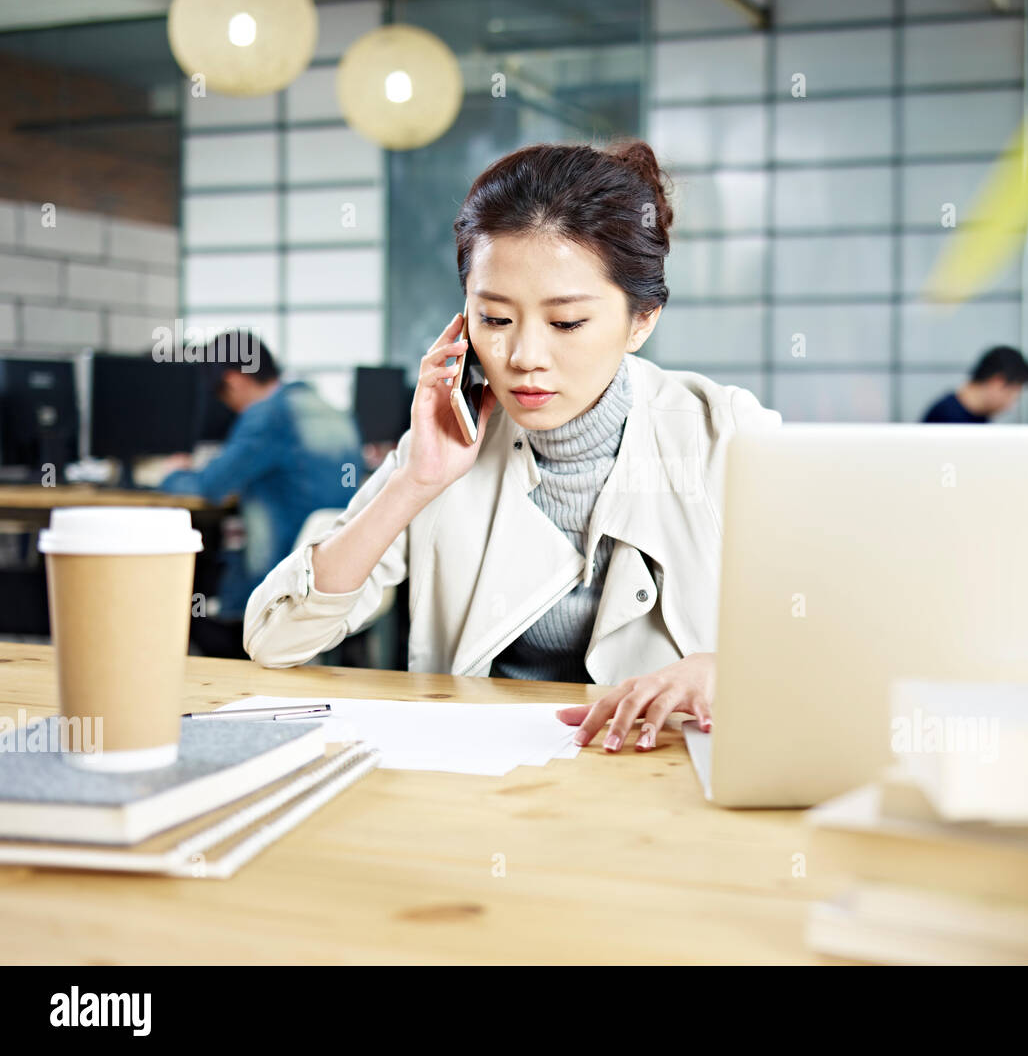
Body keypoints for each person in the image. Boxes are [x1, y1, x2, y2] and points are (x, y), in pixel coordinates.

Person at [243, 139, 783, 755]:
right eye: (495, 319)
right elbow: (275, 637)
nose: (524, 357)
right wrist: (415, 481)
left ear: (643, 320)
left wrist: (726, 668)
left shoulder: (725, 433)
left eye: (567, 323)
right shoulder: (450, 440)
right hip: (482, 787)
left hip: (662, 786)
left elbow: (838, 632)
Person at [159, 333, 364, 659]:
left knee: (181, 597)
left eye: (222, 396)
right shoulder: (328, 409)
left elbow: (209, 487)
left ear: (234, 380)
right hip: (343, 580)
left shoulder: (267, 416)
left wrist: (171, 472)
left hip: (280, 580)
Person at [921, 345, 1028, 422]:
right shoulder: (946, 417)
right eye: (1011, 394)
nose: (1010, 406)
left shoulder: (979, 417)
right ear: (997, 382)